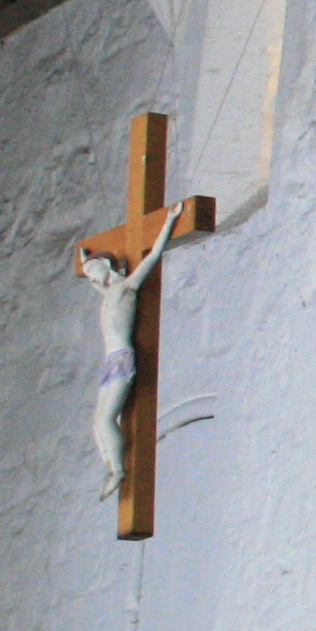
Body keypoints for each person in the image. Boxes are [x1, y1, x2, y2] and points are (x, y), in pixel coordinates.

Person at [76, 210, 179, 499]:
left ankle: (119, 470)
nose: (90, 277)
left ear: (106, 266)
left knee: (108, 418)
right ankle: (110, 466)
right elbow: (96, 281)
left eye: (92, 271)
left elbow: (153, 256)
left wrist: (169, 222)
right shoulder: (106, 294)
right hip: (110, 362)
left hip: (122, 356)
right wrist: (85, 262)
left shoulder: (127, 288)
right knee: (97, 422)